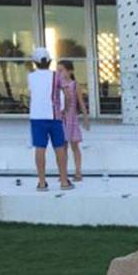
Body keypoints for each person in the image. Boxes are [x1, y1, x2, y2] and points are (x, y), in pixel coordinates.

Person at [27, 47, 71, 191]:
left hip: (36, 117)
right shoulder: (56, 76)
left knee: (40, 148)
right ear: (50, 61)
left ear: (35, 63)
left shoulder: (30, 76)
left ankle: (41, 182)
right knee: (59, 148)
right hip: (54, 116)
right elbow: (67, 95)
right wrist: (66, 109)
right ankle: (64, 181)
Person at [57, 60, 90, 182]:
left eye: (61, 70)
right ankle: (63, 173)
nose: (59, 73)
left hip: (72, 118)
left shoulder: (74, 84)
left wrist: (85, 118)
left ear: (70, 71)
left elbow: (81, 102)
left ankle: (78, 171)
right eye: (58, 70)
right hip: (61, 118)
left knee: (74, 146)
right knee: (62, 147)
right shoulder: (57, 85)